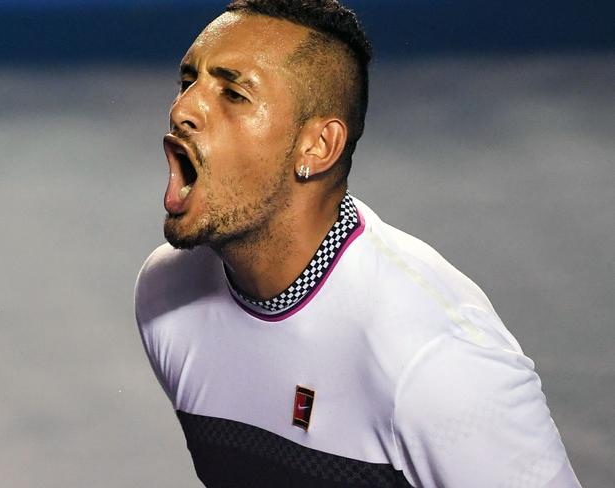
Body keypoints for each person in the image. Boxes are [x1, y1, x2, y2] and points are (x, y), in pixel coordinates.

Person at [134, 1, 582, 486]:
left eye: (234, 94)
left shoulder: (437, 362)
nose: (182, 109)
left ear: (317, 147)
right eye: (188, 82)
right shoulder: (166, 295)